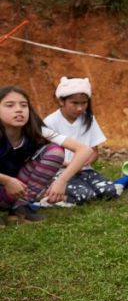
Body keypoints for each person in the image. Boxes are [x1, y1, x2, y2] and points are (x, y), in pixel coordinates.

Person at [0, 85, 93, 222]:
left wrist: (62, 181)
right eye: (10, 105)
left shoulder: (35, 130)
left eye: (24, 105)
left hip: (15, 190)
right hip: (7, 184)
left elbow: (84, 150)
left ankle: (20, 208)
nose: (19, 109)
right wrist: (7, 180)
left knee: (54, 152)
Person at [42, 77, 120, 206]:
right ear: (62, 101)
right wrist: (71, 165)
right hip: (60, 173)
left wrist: (84, 163)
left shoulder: (89, 119)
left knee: (109, 191)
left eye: (83, 103)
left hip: (85, 170)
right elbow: (45, 156)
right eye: (74, 103)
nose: (79, 108)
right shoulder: (50, 122)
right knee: (85, 195)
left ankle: (72, 194)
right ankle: (49, 196)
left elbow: (94, 151)